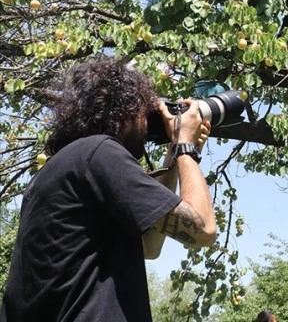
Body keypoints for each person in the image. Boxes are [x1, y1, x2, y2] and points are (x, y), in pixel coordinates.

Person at [0, 58, 217, 321]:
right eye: (144, 112)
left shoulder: (57, 171)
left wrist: (173, 154)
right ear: (125, 109)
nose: (148, 125)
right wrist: (186, 147)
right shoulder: (99, 151)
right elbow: (203, 229)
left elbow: (149, 246)